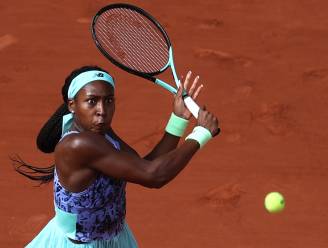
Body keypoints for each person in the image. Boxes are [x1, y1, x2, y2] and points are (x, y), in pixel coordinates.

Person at [13, 65, 220, 247]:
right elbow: (153, 176)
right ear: (72, 105)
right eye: (92, 101)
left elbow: (142, 165)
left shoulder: (99, 132)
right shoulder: (79, 144)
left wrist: (178, 119)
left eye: (108, 100)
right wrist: (201, 133)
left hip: (114, 241)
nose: (102, 111)